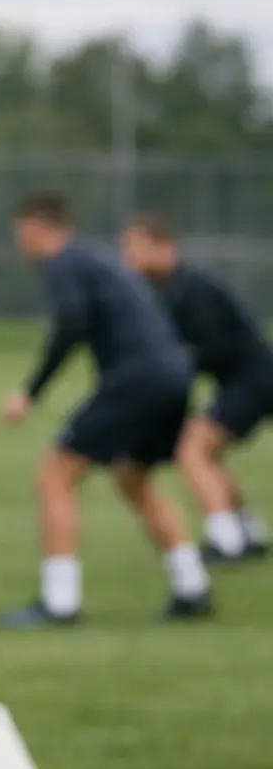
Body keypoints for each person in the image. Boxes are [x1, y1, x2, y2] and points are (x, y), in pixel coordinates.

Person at [1, 191, 211, 627]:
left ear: (36, 229)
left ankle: (60, 603)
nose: (21, 244)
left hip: (138, 378)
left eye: (21, 234)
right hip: (174, 377)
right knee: (135, 478)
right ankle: (192, 586)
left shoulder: (62, 264)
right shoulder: (95, 261)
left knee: (55, 477)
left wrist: (31, 392)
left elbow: (71, 322)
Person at [121, 215, 272, 562]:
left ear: (163, 247)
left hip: (254, 379)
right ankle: (247, 532)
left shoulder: (190, 288)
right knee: (207, 453)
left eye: (134, 248)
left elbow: (213, 347)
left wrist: (174, 372)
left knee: (192, 450)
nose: (127, 258)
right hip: (244, 380)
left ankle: (226, 541)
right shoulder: (171, 290)